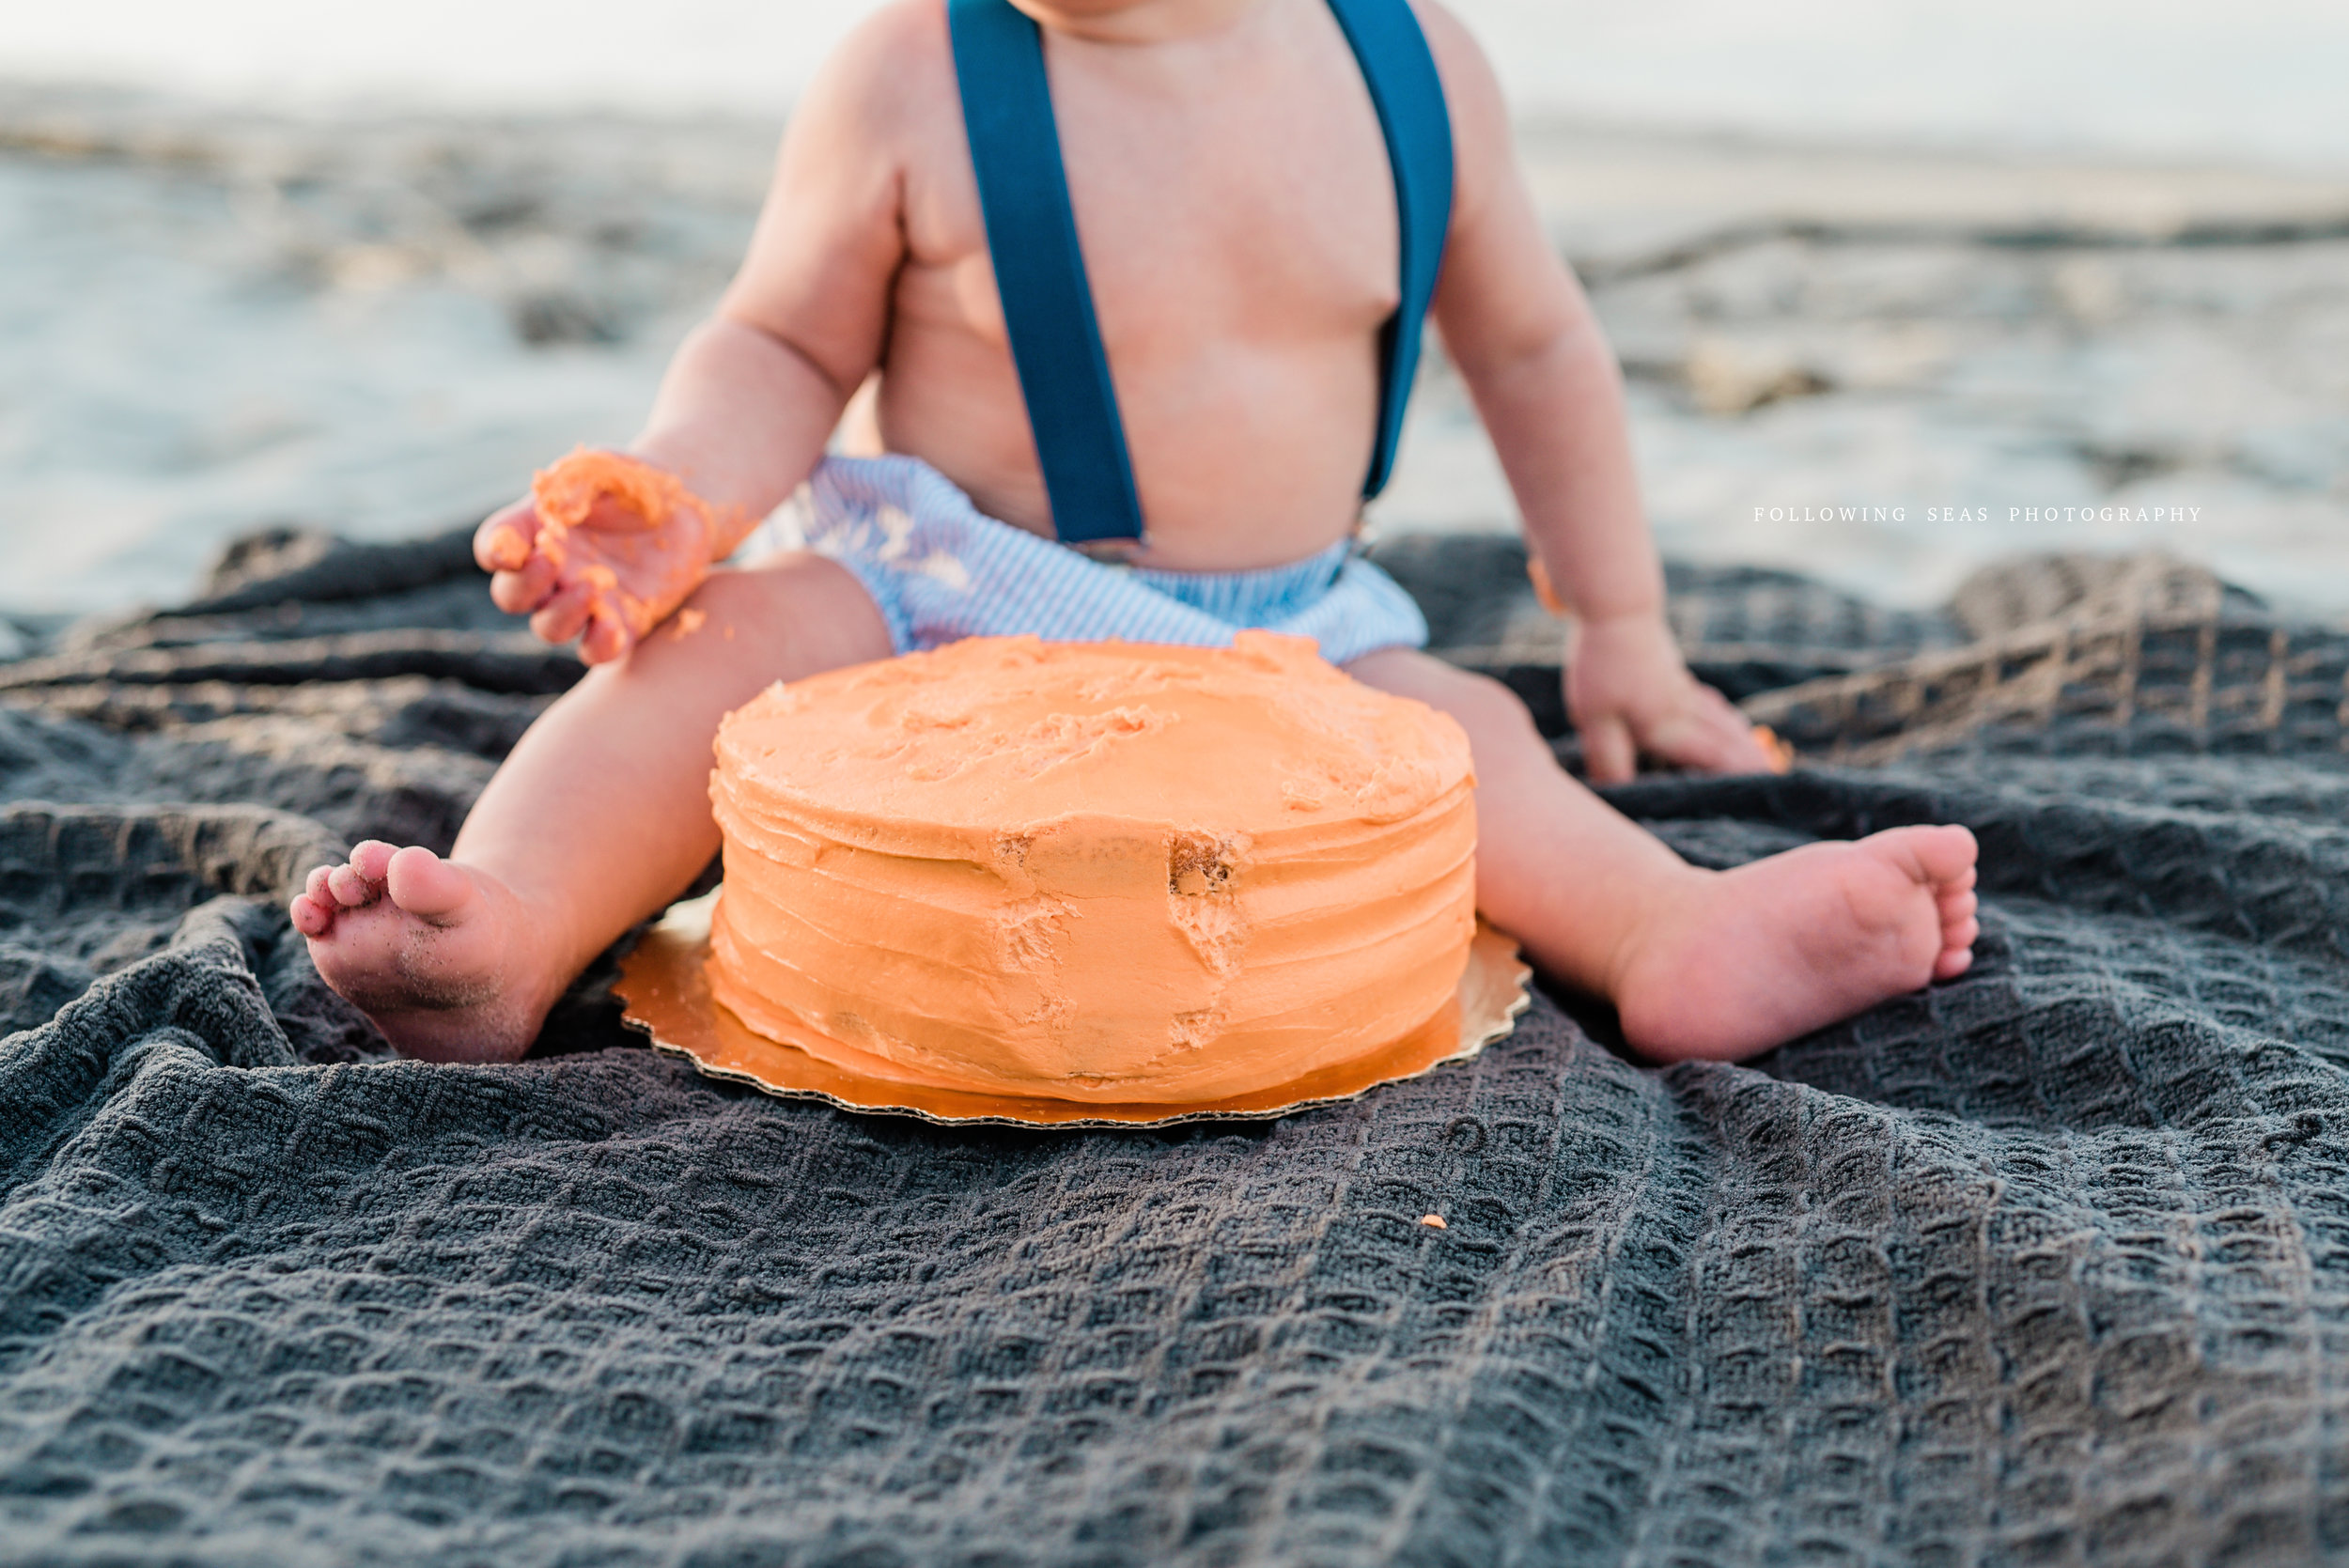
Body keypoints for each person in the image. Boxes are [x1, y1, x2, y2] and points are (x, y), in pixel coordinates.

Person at [288, 0, 1979, 1067]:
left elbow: (1534, 348)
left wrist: (1619, 621)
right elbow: (781, 346)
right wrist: (677, 499)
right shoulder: (911, 72)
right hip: (940, 590)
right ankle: (510, 924)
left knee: (1474, 745)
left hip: (1284, 631)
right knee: (708, 657)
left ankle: (1667, 933)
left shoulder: (1411, 66)